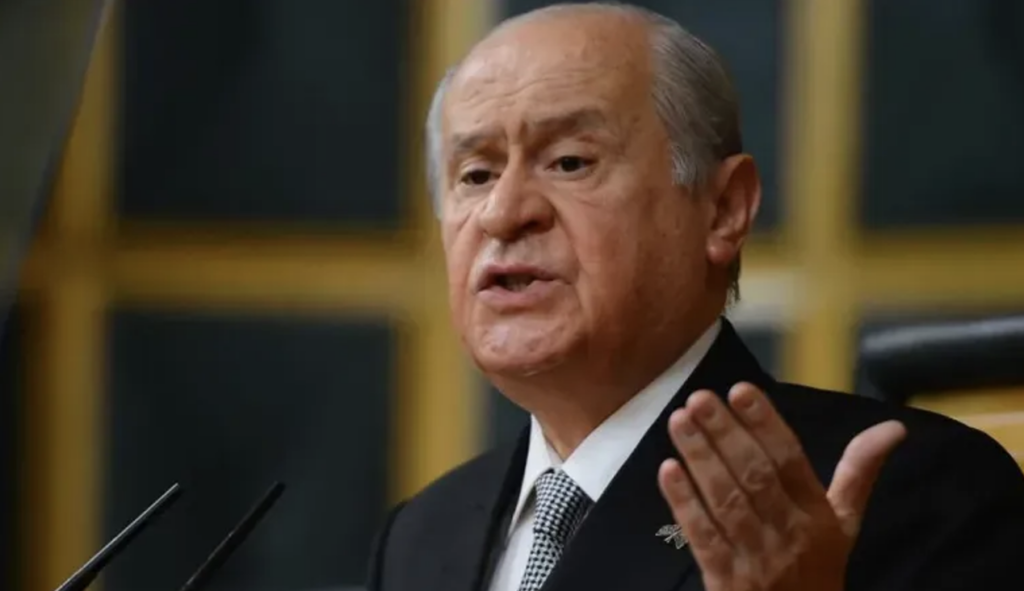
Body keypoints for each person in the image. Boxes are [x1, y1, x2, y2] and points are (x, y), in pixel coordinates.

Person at [366, 3, 1024, 590]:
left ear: (723, 209)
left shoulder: (915, 493)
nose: (504, 212)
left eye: (569, 162)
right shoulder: (422, 535)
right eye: (476, 174)